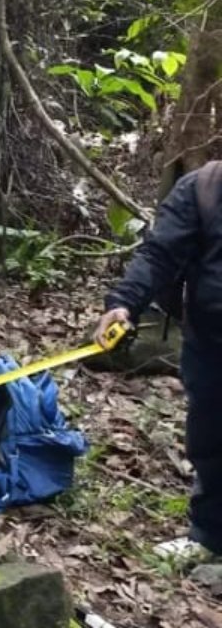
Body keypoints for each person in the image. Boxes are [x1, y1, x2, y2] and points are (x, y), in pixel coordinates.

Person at [95, 166, 222, 561]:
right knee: (211, 439)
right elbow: (159, 254)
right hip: (211, 342)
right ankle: (209, 538)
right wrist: (122, 303)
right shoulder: (204, 188)